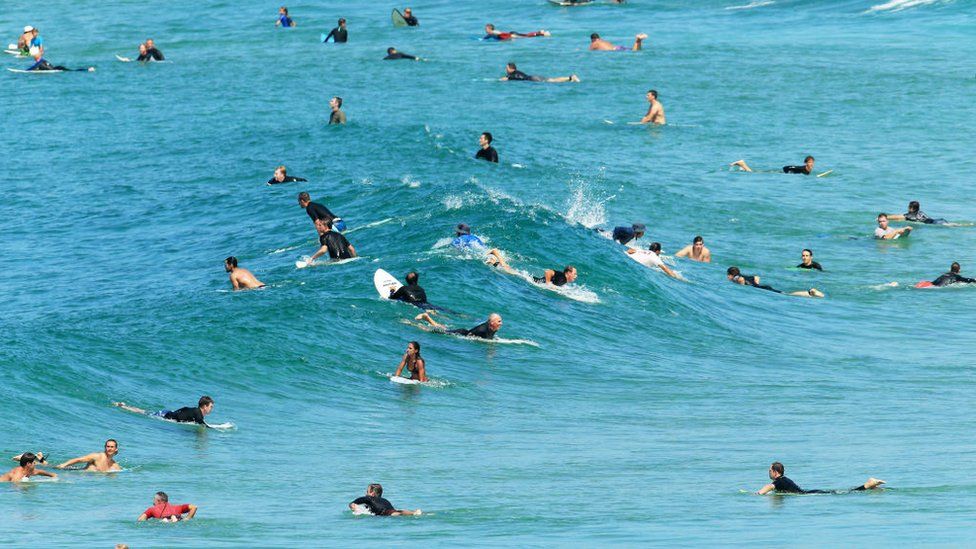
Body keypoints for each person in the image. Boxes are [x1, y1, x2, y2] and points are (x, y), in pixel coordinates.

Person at [757, 462, 885, 495]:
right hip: (811, 492)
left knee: (847, 493)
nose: (768, 472)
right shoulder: (784, 479)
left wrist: (755, 494)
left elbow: (765, 489)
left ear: (775, 471)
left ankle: (868, 484)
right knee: (846, 492)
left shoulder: (777, 482)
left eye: (769, 470)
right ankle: (871, 487)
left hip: (810, 494)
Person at [113, 396, 215, 426]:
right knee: (143, 413)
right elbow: (202, 425)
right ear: (205, 406)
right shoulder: (198, 413)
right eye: (211, 406)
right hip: (164, 415)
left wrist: (175, 413)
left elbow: (184, 408)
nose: (211, 409)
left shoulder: (195, 410)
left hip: (167, 412)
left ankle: (124, 405)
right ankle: (123, 406)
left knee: (144, 411)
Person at [727, 267, 823, 297]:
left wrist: (743, 286)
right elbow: (756, 277)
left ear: (730, 275)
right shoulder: (745, 275)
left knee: (787, 294)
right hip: (763, 287)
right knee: (785, 293)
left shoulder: (736, 278)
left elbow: (740, 279)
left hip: (762, 289)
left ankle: (810, 292)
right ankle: (809, 293)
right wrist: (755, 284)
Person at [349, 483, 421, 516]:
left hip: (384, 513)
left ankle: (413, 513)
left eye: (367, 491)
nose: (365, 493)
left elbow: (352, 504)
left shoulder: (368, 498)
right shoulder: (385, 500)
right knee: (397, 512)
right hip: (390, 510)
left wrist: (355, 509)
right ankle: (413, 512)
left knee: (394, 514)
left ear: (372, 493)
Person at [416, 313, 503, 340]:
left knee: (445, 329)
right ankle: (416, 324)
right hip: (461, 333)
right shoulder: (482, 330)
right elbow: (470, 336)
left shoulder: (493, 328)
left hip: (463, 332)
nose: (501, 323)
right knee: (437, 331)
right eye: (499, 321)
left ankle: (427, 318)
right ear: (492, 323)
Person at [55, 439, 122, 472]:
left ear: (116, 449)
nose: (109, 448)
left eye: (112, 447)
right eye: (108, 446)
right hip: (74, 473)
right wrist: (63, 465)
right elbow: (79, 459)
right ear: (105, 447)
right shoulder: (97, 456)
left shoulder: (115, 465)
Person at [500, 62, 578, 83]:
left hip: (533, 79)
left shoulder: (512, 74)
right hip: (533, 77)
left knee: (553, 81)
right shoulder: (517, 72)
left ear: (511, 68)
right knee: (552, 80)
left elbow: (505, 79)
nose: (506, 69)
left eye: (507, 68)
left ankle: (571, 77)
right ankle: (570, 78)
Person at [730, 156, 815, 175]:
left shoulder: (808, 170)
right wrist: (787, 173)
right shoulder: (802, 168)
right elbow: (786, 167)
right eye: (809, 162)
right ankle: (742, 163)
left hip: (781, 173)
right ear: (805, 163)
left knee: (754, 172)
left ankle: (741, 165)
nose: (811, 164)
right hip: (779, 173)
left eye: (812, 162)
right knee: (754, 173)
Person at [483, 23, 549, 41]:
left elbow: (501, 34)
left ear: (489, 29)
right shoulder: (491, 33)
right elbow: (486, 37)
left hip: (511, 35)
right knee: (526, 35)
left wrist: (509, 38)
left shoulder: (493, 32)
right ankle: (539, 32)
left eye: (486, 29)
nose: (485, 30)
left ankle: (542, 34)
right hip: (511, 35)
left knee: (526, 37)